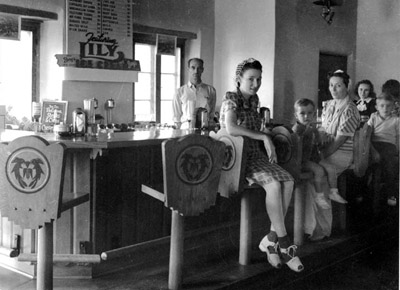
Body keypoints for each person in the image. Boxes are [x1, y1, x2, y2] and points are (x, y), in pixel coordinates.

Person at [219, 58, 303, 272]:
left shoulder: (254, 100)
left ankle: (270, 241)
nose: (255, 84)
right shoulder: (230, 99)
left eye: (258, 79)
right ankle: (284, 244)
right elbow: (231, 128)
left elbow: (255, 128)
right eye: (250, 79)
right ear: (239, 80)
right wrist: (264, 138)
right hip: (239, 159)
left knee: (288, 181)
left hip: (256, 156)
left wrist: (266, 136)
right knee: (274, 185)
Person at [319, 70, 361, 204]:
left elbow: (340, 140)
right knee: (312, 170)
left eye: (338, 85)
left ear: (347, 86)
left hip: (340, 153)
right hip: (328, 149)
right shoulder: (330, 104)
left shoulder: (350, 109)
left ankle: (326, 216)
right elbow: (323, 127)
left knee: (318, 172)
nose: (333, 89)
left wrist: (322, 154)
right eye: (331, 85)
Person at [292, 98, 331, 210]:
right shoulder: (297, 129)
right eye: (302, 113)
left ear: (314, 115)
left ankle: (331, 192)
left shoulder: (311, 128)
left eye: (309, 113)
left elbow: (316, 145)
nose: (306, 116)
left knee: (329, 168)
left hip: (309, 159)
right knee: (319, 170)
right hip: (299, 161)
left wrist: (321, 138)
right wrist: (312, 132)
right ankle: (319, 196)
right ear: (296, 115)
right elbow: (298, 145)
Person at [367, 92, 399, 206]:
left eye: (388, 106)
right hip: (375, 144)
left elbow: (398, 137)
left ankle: (391, 193)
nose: (385, 108)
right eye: (382, 106)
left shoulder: (396, 120)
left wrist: (397, 151)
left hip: (389, 145)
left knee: (390, 166)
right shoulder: (373, 117)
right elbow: (368, 134)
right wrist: (372, 150)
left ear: (393, 107)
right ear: (376, 107)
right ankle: (366, 191)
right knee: (368, 164)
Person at [172, 58, 216, 129]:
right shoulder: (179, 92)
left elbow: (211, 116)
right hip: (185, 132)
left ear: (202, 70)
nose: (196, 71)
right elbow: (176, 119)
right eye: (193, 68)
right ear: (188, 69)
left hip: (204, 130)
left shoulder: (211, 91)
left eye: (199, 68)